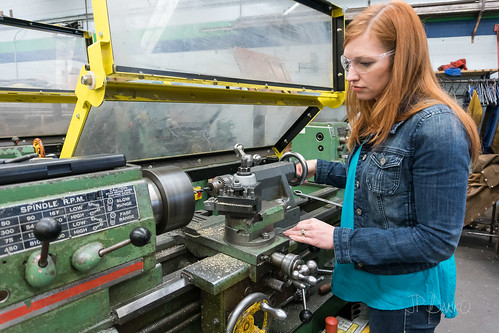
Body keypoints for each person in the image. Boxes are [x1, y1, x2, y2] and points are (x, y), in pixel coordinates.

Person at [283, 1, 480, 332]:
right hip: (379, 281)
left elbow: (436, 240)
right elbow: (378, 179)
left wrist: (338, 239)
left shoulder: (437, 128)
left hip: (405, 298)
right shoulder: (385, 114)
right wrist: (315, 168)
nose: (352, 76)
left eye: (365, 63)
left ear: (402, 60)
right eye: (349, 63)